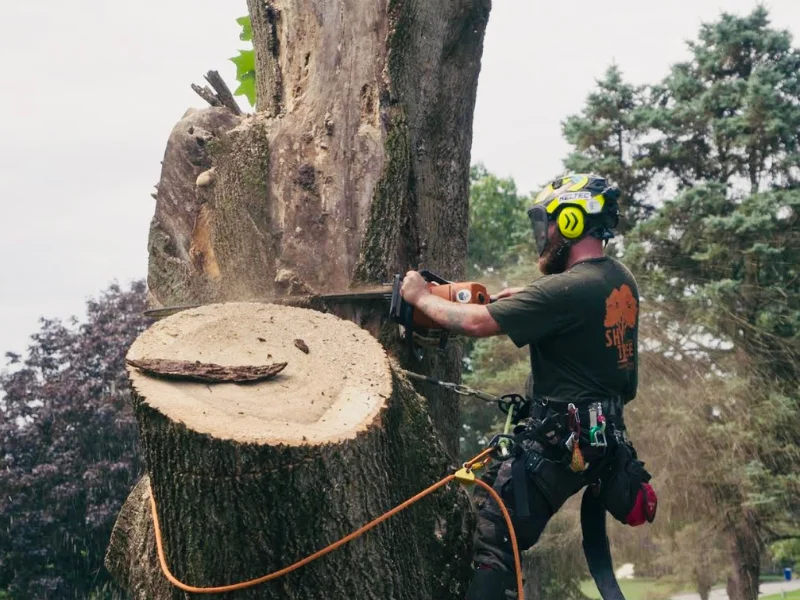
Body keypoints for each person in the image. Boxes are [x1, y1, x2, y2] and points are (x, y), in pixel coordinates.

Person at [400, 173, 657, 600]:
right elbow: (577, 314)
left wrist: (418, 297)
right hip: (602, 440)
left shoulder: (566, 291)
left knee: (495, 540)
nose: (545, 234)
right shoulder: (617, 277)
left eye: (550, 223)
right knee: (507, 537)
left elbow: (478, 323)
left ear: (572, 223)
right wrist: (532, 298)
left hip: (560, 445)